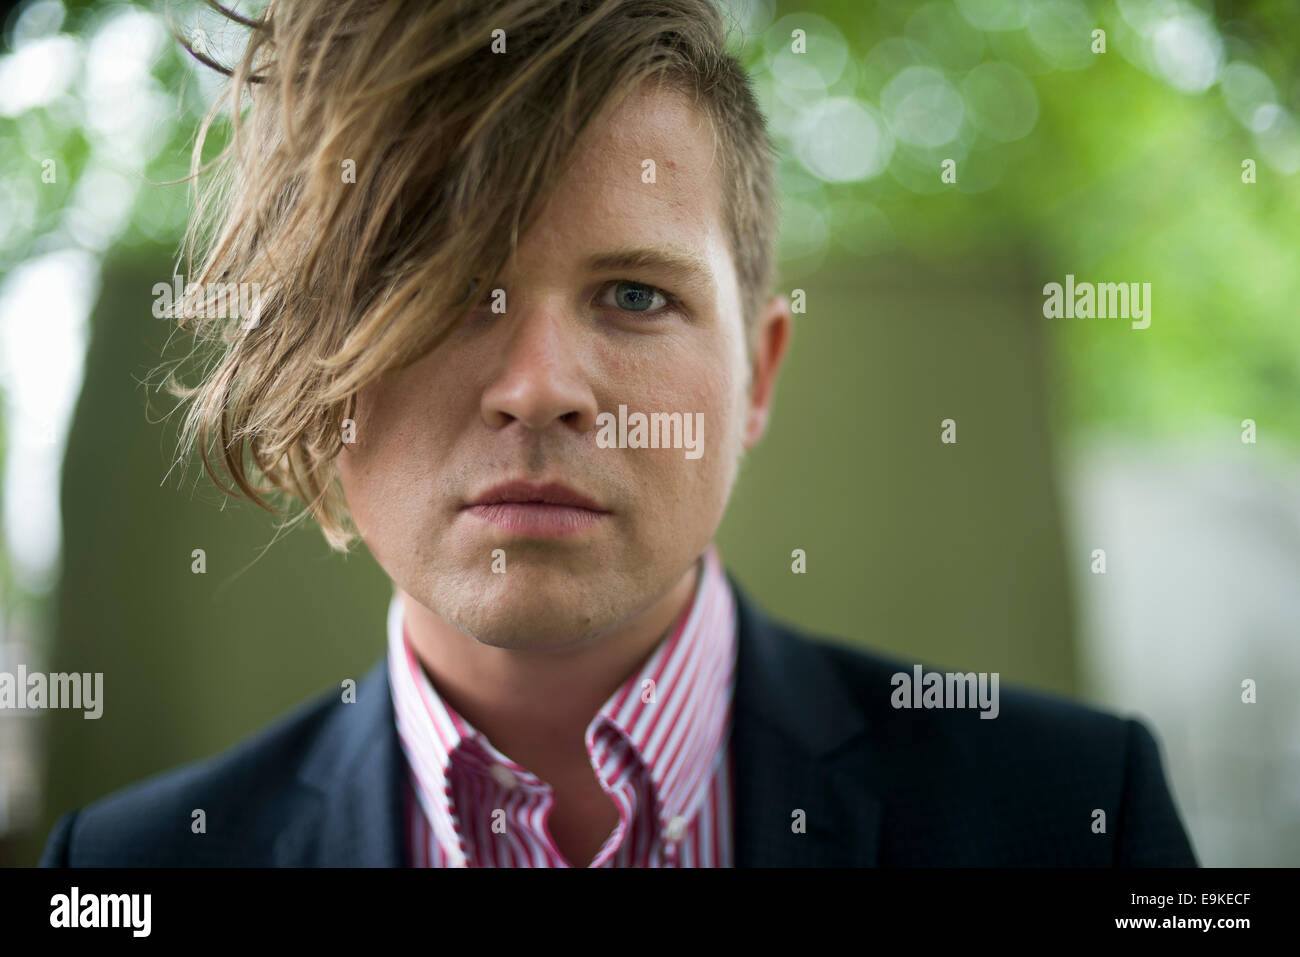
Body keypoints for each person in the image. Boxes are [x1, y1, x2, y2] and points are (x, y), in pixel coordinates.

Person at [41, 0, 1196, 867]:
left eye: (636, 295)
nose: (541, 388)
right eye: (445, 292)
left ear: (759, 373)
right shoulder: (126, 870)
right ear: (317, 370)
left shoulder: (1075, 814)